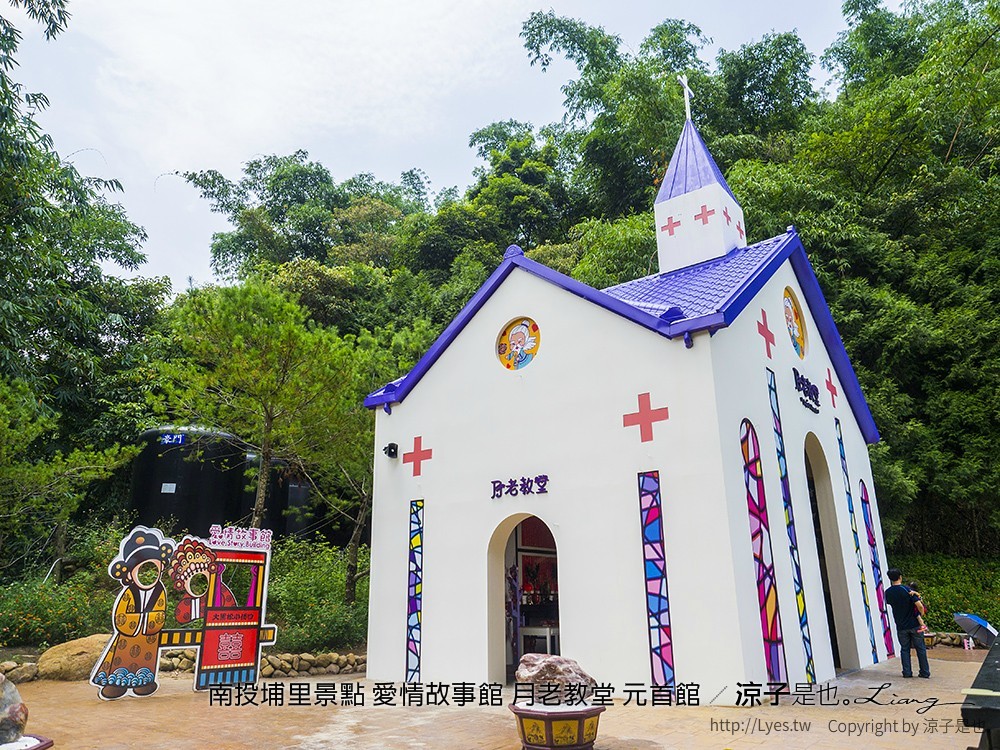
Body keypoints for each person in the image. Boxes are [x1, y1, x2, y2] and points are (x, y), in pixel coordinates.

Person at [885, 567, 930, 679]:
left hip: (900, 625)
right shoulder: (907, 590)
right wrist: (921, 614)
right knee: (920, 648)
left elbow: (891, 604)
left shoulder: (888, 592)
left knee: (904, 649)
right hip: (914, 624)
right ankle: (924, 672)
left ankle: (907, 672)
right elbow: (919, 605)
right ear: (900, 576)